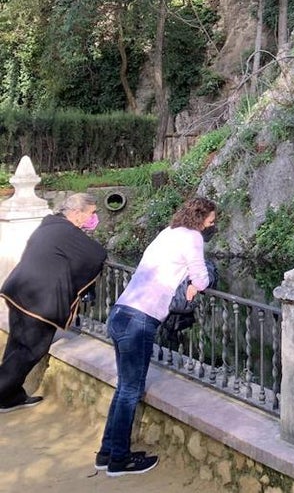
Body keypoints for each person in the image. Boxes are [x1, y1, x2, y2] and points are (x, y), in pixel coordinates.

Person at [96, 195, 217, 477]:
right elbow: (201, 279)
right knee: (130, 391)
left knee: (124, 387)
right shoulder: (193, 238)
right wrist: (194, 285)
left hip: (121, 312)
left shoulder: (168, 232)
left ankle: (107, 452)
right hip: (140, 320)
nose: (212, 226)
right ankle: (120, 460)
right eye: (211, 222)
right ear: (201, 220)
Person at [0, 192, 106, 412]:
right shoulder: (66, 232)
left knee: (16, 346)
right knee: (29, 350)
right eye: (92, 213)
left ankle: (12, 395)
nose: (94, 218)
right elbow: (97, 254)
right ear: (77, 213)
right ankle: (3, 395)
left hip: (19, 292)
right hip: (38, 301)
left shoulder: (50, 225)